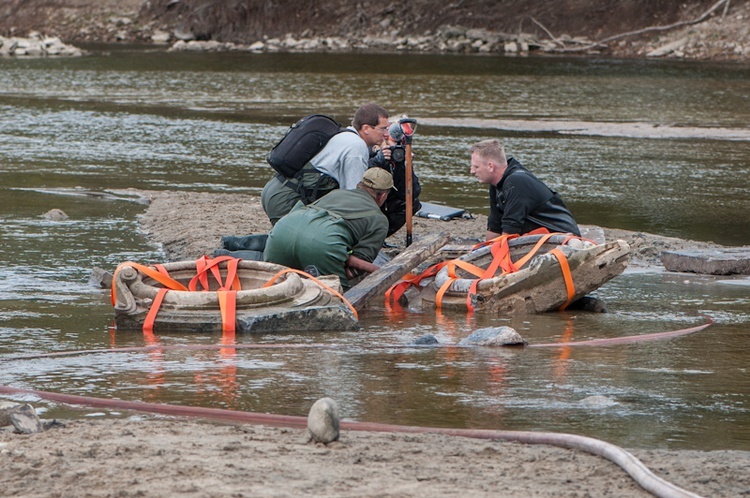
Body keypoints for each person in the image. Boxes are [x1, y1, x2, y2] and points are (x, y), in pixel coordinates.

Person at [263, 168, 393, 290]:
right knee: (335, 298)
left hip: (283, 229)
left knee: (273, 288)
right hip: (323, 241)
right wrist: (334, 273)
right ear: (383, 196)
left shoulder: (336, 193)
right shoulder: (379, 219)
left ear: (360, 185)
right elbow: (357, 267)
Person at [261, 103, 391, 225]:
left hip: (274, 191)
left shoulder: (344, 135)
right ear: (366, 128)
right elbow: (353, 197)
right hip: (285, 201)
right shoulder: (356, 146)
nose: (386, 134)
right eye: (383, 129)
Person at [469, 139, 581, 240]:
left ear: (490, 166)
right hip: (536, 235)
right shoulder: (496, 184)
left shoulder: (516, 181)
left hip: (563, 237)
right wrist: (484, 249)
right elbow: (495, 224)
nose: (472, 171)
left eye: (476, 167)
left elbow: (510, 228)